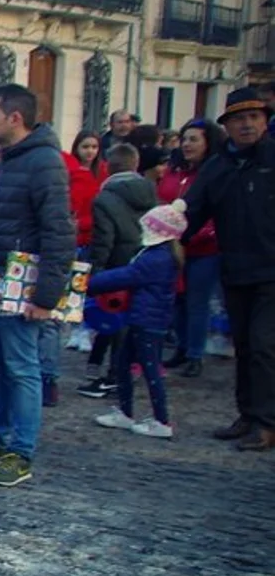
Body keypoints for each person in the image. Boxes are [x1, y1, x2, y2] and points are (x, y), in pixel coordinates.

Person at [0, 84, 75, 486]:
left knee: (23, 369)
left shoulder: (44, 162)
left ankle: (20, 451)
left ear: (14, 118)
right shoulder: (7, 158)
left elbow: (58, 231)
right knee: (3, 366)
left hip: (22, 289)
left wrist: (46, 296)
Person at [181, 87, 275, 451]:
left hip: (272, 271)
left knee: (266, 346)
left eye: (254, 117)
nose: (248, 124)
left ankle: (267, 423)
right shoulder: (218, 167)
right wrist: (166, 236)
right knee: (247, 346)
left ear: (265, 121)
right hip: (236, 270)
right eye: (239, 119)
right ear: (228, 126)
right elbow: (190, 212)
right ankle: (248, 414)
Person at [89, 201, 184, 439]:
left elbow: (126, 276)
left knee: (150, 370)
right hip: (144, 318)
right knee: (123, 364)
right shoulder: (163, 254)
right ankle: (125, 411)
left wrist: (89, 283)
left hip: (148, 322)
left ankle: (162, 421)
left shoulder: (156, 258)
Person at [78, 142, 165, 398]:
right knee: (132, 322)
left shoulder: (106, 198)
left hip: (117, 266)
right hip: (144, 262)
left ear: (109, 166)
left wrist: (93, 274)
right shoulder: (151, 191)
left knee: (114, 323)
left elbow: (103, 240)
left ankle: (115, 376)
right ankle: (119, 372)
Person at [162, 118, 225, 375]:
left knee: (197, 301)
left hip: (204, 248)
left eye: (194, 139)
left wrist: (196, 234)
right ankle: (182, 346)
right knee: (177, 299)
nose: (187, 144)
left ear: (207, 142)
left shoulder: (214, 172)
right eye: (185, 139)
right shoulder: (175, 170)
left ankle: (195, 354)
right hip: (174, 246)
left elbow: (215, 210)